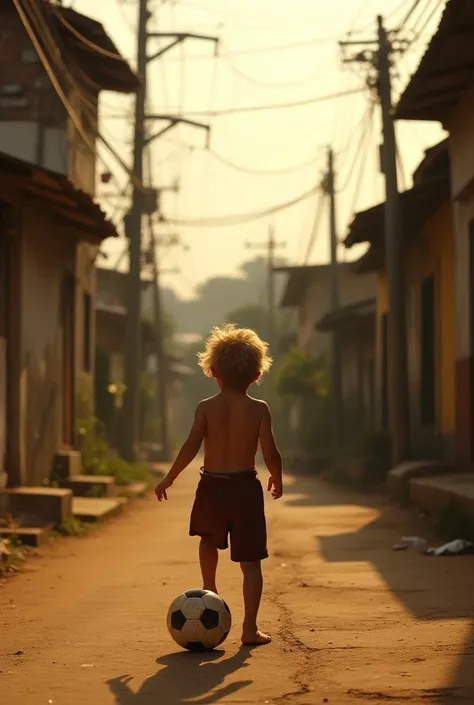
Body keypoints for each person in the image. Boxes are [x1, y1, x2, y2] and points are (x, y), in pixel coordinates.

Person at [155, 324, 283, 646]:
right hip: (244, 488)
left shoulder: (205, 407)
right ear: (256, 374)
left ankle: (209, 592)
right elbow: (270, 451)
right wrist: (276, 477)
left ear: (213, 371)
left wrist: (169, 477)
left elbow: (189, 446)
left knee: (208, 541)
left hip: (211, 486)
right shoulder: (258, 410)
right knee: (250, 561)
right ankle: (249, 629)